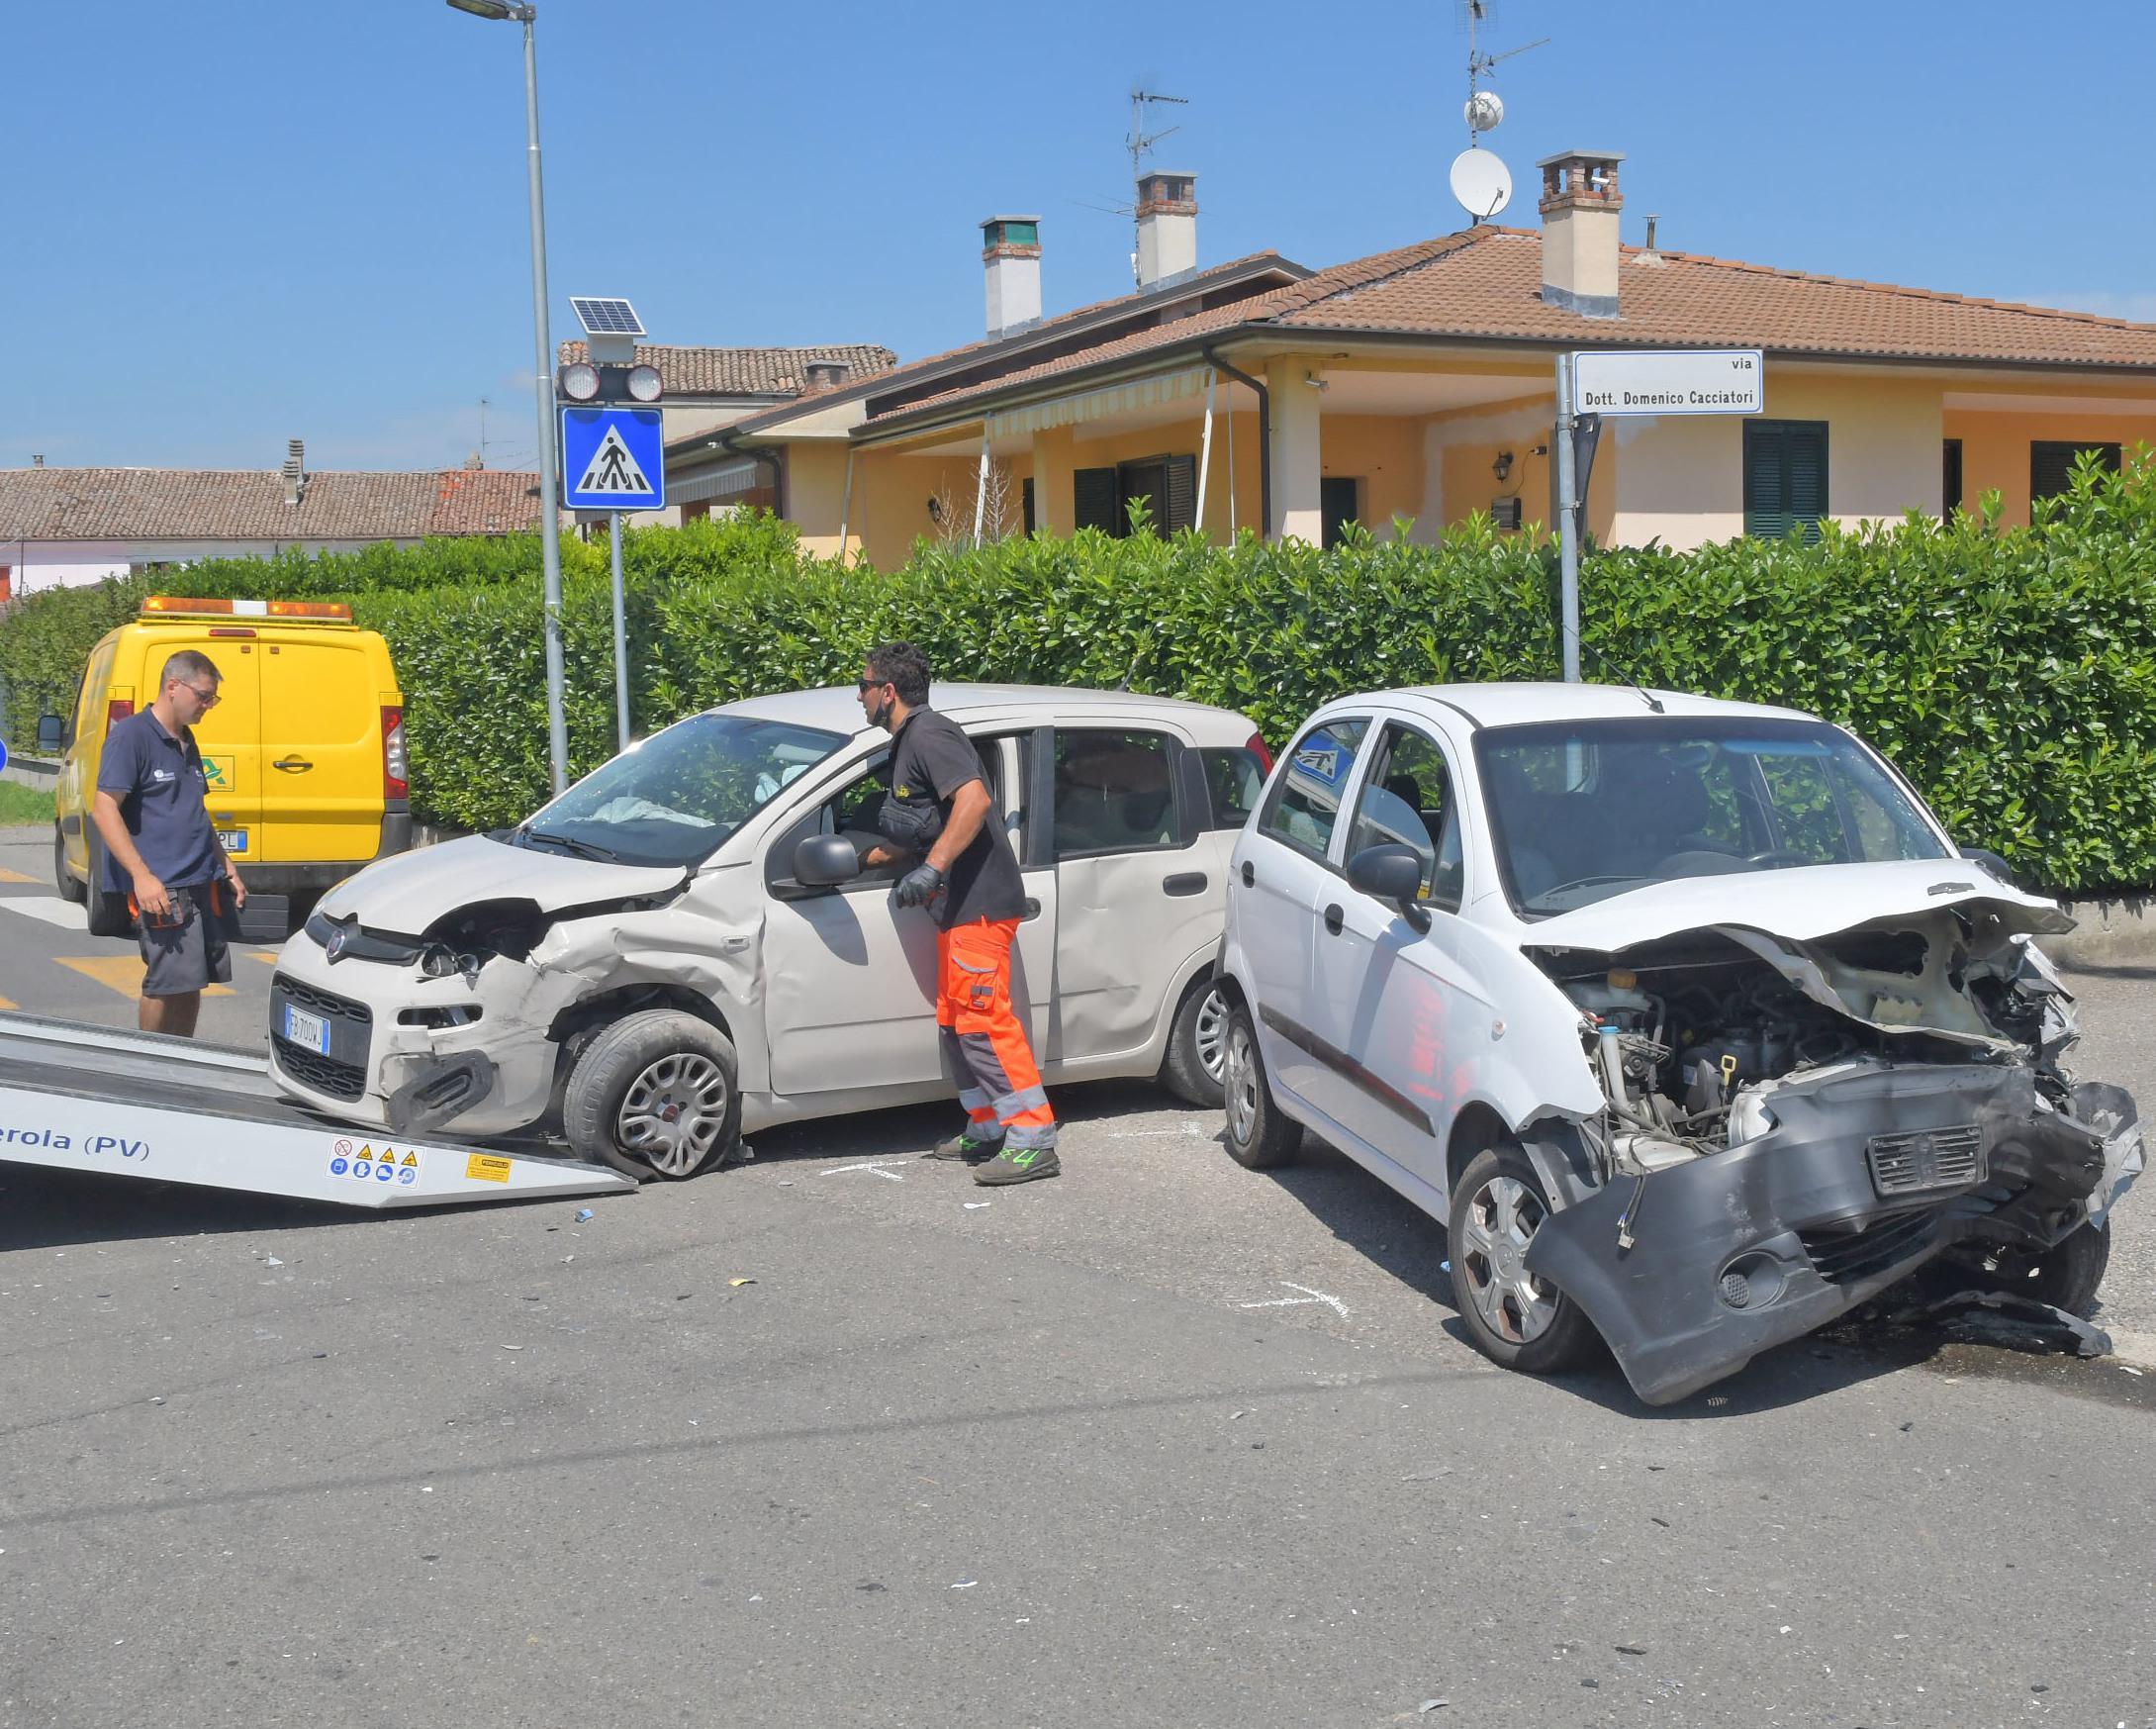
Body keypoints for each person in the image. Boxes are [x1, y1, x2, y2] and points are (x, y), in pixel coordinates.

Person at [857, 641, 1059, 1185]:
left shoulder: (931, 735)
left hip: (980, 904)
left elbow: (973, 801)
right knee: (955, 1024)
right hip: (956, 909)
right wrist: (877, 856)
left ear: (888, 692)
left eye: (865, 686)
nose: (860, 696)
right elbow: (930, 821)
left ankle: (1033, 1138)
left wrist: (933, 869)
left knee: (984, 1025)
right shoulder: (907, 743)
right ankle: (989, 1123)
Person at [90, 648, 246, 1037]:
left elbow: (195, 809)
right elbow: (104, 808)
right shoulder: (132, 735)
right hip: (163, 885)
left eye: (213, 698)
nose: (209, 706)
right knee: (165, 981)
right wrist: (142, 877)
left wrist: (224, 863)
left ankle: (182, 1056)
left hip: (199, 879)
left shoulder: (186, 741)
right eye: (204, 696)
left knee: (192, 980)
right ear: (173, 687)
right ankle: (150, 1062)